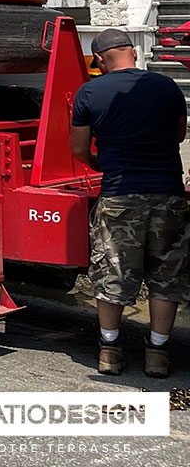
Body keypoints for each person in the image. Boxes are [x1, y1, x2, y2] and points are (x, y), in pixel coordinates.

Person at [70, 28, 189, 378]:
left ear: (101, 61)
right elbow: (179, 134)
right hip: (167, 192)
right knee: (167, 276)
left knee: (112, 272)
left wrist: (100, 164)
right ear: (133, 53)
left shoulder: (89, 92)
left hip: (120, 193)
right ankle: (157, 353)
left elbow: (79, 149)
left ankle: (109, 350)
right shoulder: (166, 87)